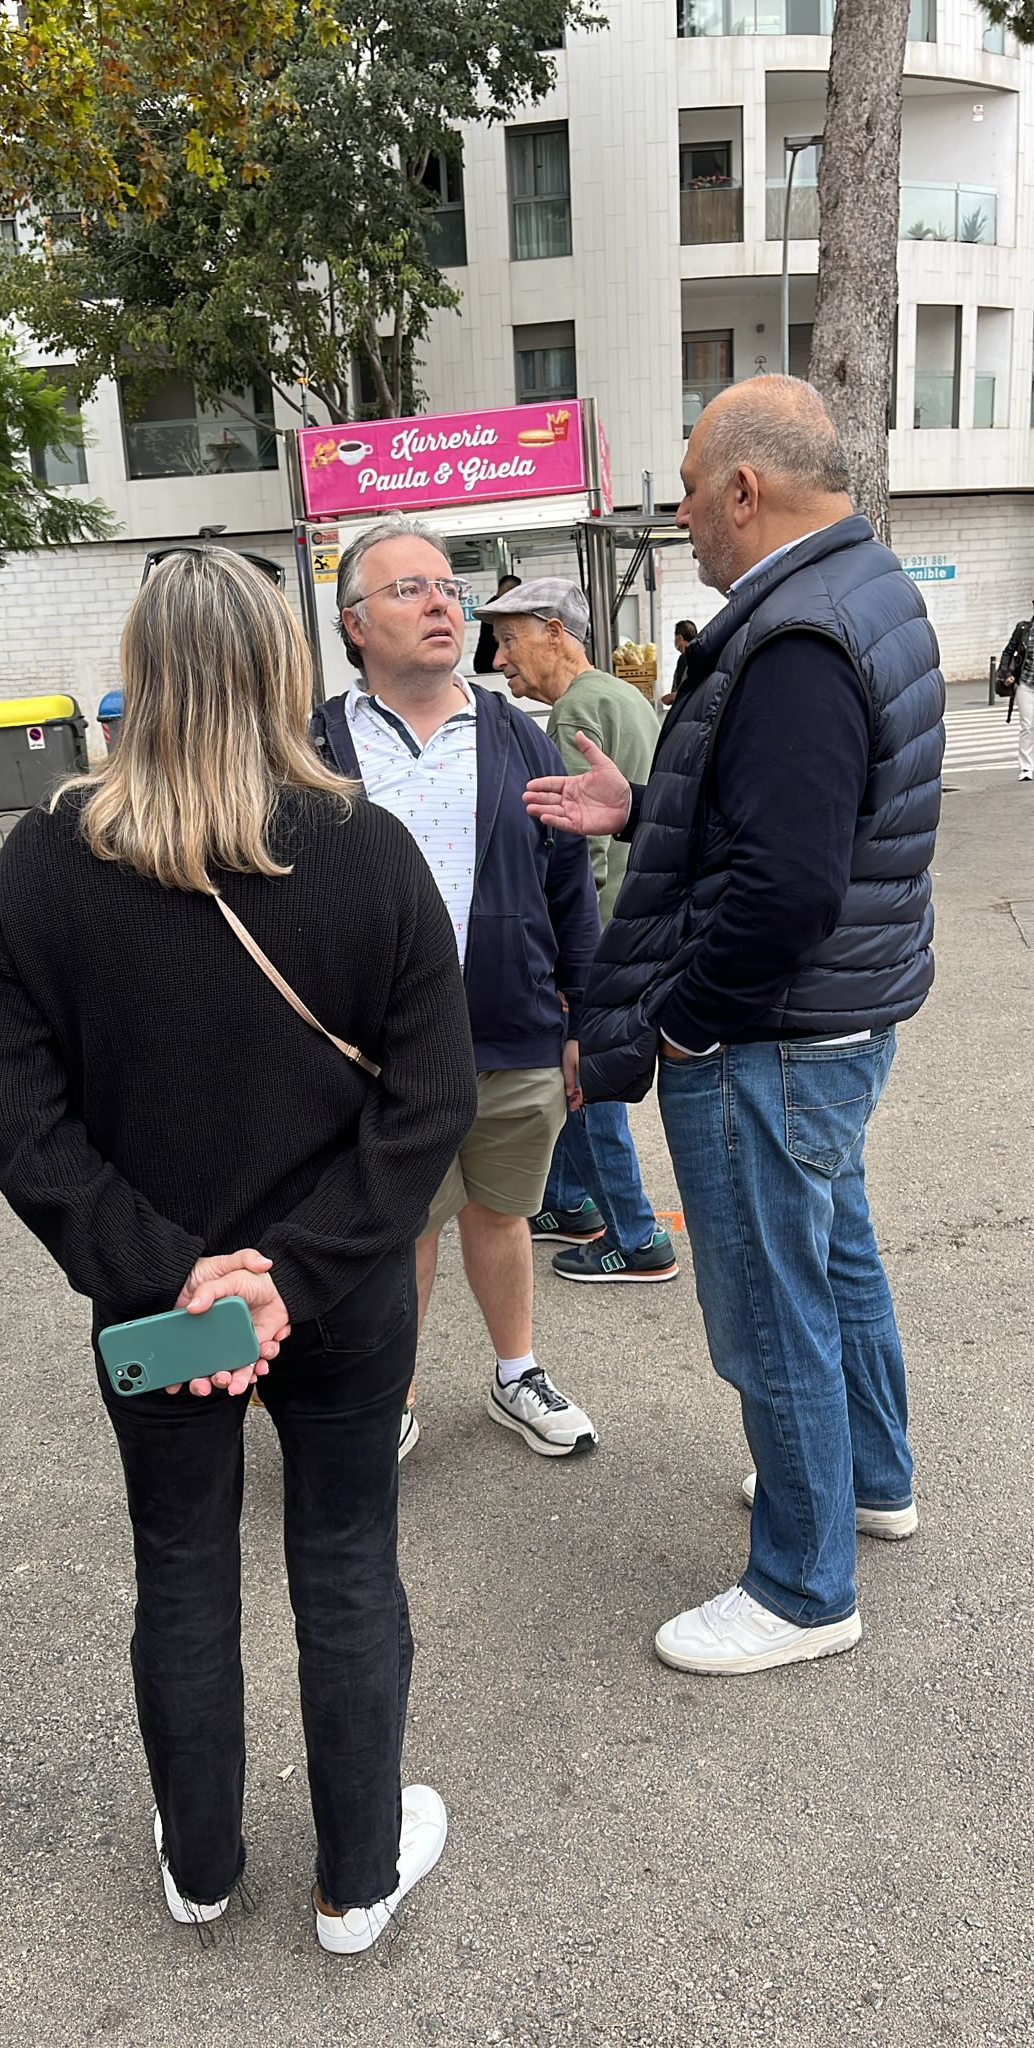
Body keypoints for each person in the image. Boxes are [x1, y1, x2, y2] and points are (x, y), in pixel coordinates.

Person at [0, 549, 478, 1950]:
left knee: (183, 1565)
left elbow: (15, 1118)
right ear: (282, 665)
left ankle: (201, 1863)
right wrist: (295, 1275)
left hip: (161, 1312)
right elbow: (432, 1096)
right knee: (347, 1557)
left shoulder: (47, 869)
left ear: (142, 669)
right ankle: (355, 1880)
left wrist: (175, 1272)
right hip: (348, 1289)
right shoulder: (366, 847)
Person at [524, 376, 944, 1677]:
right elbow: (794, 820)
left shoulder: (797, 635)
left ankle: (803, 1588)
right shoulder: (859, 592)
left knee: (773, 1305)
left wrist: (689, 1025)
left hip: (771, 1030)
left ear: (747, 490)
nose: (686, 515)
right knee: (836, 1264)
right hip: (832, 1022)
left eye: (692, 491)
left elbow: (787, 885)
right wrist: (644, 810)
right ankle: (867, 1482)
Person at [313, 514, 602, 1461]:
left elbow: (569, 884)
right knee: (405, 1224)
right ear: (355, 623)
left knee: (504, 1210)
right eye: (409, 589)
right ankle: (388, 1395)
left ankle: (515, 1373)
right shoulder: (311, 749)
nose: (442, 602)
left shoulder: (518, 735)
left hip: (514, 1030)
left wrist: (581, 1017)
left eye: (449, 588)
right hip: (376, 1048)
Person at [478, 576, 677, 1286]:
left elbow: (574, 849)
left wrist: (564, 960)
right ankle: (564, 1200)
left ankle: (636, 1233)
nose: (501, 661)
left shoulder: (574, 714)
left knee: (581, 1077)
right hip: (644, 916)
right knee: (566, 1074)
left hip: (606, 930)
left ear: (554, 632)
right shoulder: (624, 695)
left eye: (509, 640)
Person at [997, 610, 1034, 781]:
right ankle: (1026, 767)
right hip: (1026, 684)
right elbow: (1008, 652)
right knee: (1027, 725)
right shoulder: (1024, 629)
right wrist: (1004, 674)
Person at [472, 573, 521, 672]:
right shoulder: (498, 609)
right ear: (511, 590)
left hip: (486, 661)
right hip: (490, 663)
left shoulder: (492, 605)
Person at [659, 620, 698, 710]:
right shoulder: (691, 656)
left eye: (675, 637)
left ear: (680, 638)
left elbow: (689, 690)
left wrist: (672, 697)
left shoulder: (688, 659)